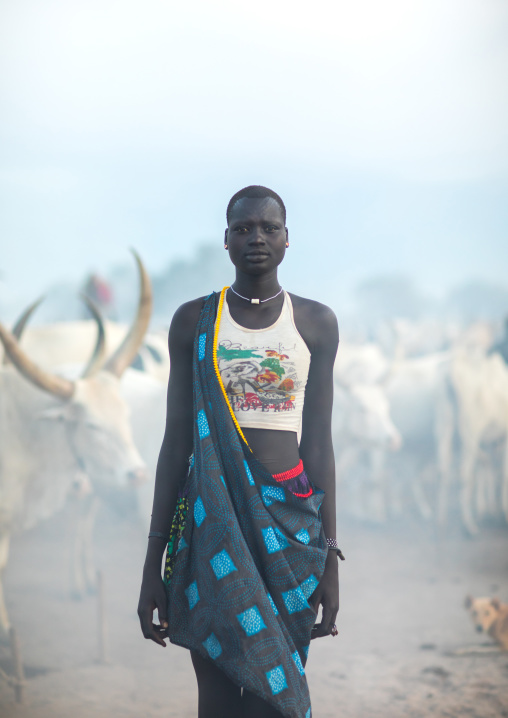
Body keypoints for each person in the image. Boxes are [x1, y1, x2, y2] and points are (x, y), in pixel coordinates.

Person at [138, 186, 343, 718]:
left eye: (268, 228)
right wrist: (153, 562)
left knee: (275, 702)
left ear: (287, 239)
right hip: (212, 532)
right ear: (225, 241)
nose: (256, 238)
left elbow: (318, 444)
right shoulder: (195, 322)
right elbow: (176, 441)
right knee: (220, 696)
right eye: (243, 229)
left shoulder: (315, 323)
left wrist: (331, 558)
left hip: (290, 532)